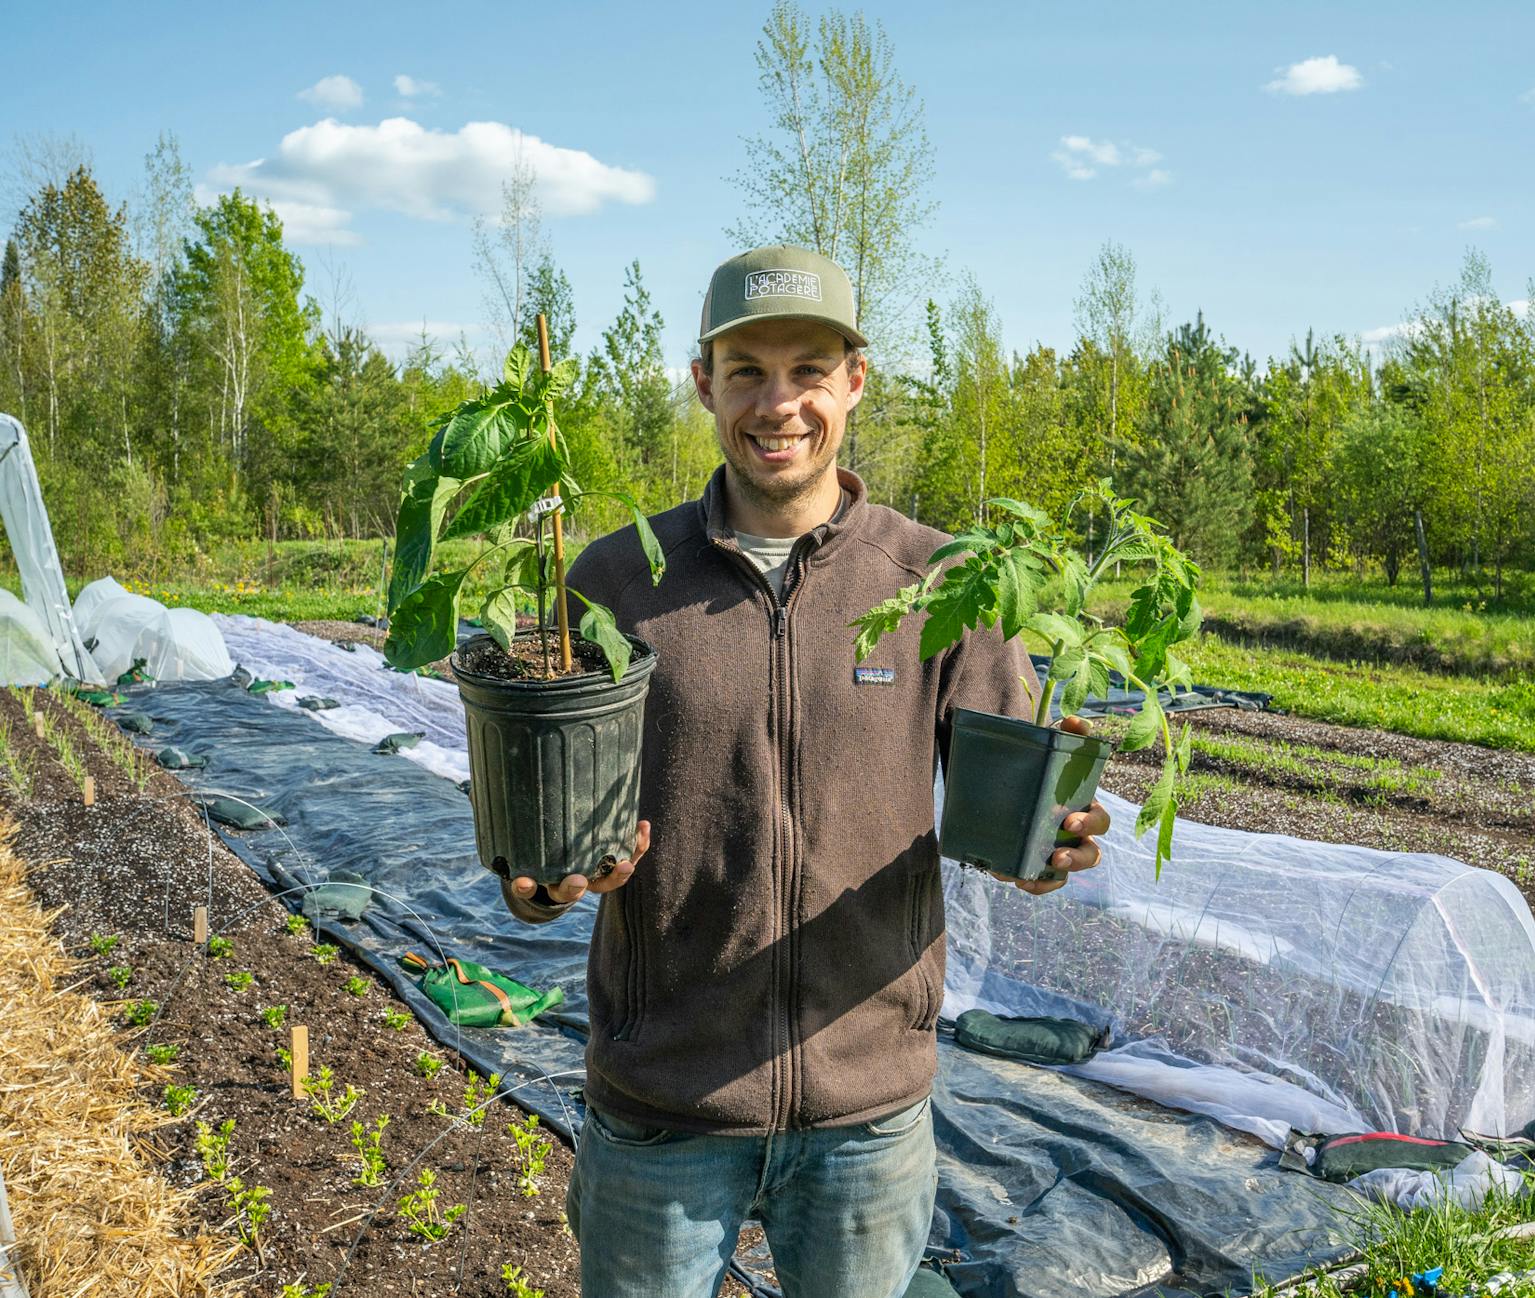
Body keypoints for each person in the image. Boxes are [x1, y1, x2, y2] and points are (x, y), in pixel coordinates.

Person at [503, 245, 1111, 1298]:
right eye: (745, 370)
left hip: (864, 1113)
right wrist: (538, 878)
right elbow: (530, 829)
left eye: (807, 370)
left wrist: (1043, 848)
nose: (776, 402)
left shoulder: (937, 580)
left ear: (854, 382)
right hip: (664, 1105)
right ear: (703, 382)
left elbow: (1009, 793)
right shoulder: (611, 578)